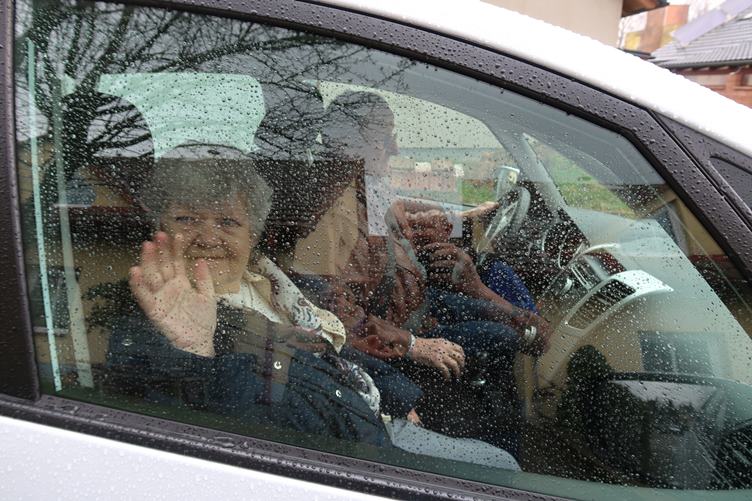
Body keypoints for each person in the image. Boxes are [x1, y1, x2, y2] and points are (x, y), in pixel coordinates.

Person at [104, 143, 519, 470]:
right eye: (187, 219)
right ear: (160, 227)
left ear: (253, 234)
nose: (208, 237)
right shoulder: (158, 320)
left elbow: (332, 348)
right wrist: (195, 353)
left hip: (366, 408)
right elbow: (234, 438)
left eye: (228, 222)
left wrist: (395, 396)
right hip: (344, 452)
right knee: (501, 465)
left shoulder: (272, 282)